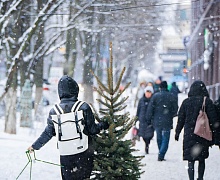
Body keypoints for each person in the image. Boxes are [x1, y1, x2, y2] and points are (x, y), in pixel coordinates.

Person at [28, 75, 109, 180]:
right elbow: (93, 130)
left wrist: (34, 146)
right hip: (83, 153)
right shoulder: (83, 107)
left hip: (65, 155)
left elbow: (48, 133)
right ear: (75, 89)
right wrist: (105, 124)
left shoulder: (54, 112)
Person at [175, 80, 217, 180]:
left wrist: (177, 132)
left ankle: (191, 178)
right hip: (203, 134)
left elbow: (180, 119)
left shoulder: (186, 102)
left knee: (191, 160)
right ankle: (200, 178)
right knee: (201, 159)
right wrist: (215, 135)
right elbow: (214, 119)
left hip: (190, 135)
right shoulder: (207, 101)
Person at [146, 81, 178, 161]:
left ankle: (160, 152)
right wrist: (171, 115)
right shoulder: (171, 96)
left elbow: (150, 109)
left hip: (157, 120)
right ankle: (161, 153)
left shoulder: (155, 96)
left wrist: (149, 119)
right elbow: (175, 109)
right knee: (166, 138)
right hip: (167, 120)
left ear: (160, 87)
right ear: (167, 87)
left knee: (159, 137)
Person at [136, 86, 154, 154]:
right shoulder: (141, 100)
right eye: (147, 92)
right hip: (142, 119)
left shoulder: (153, 100)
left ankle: (147, 144)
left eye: (149, 92)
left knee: (149, 135)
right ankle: (146, 144)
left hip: (150, 121)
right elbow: (138, 110)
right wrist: (136, 118)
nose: (148, 94)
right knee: (143, 134)